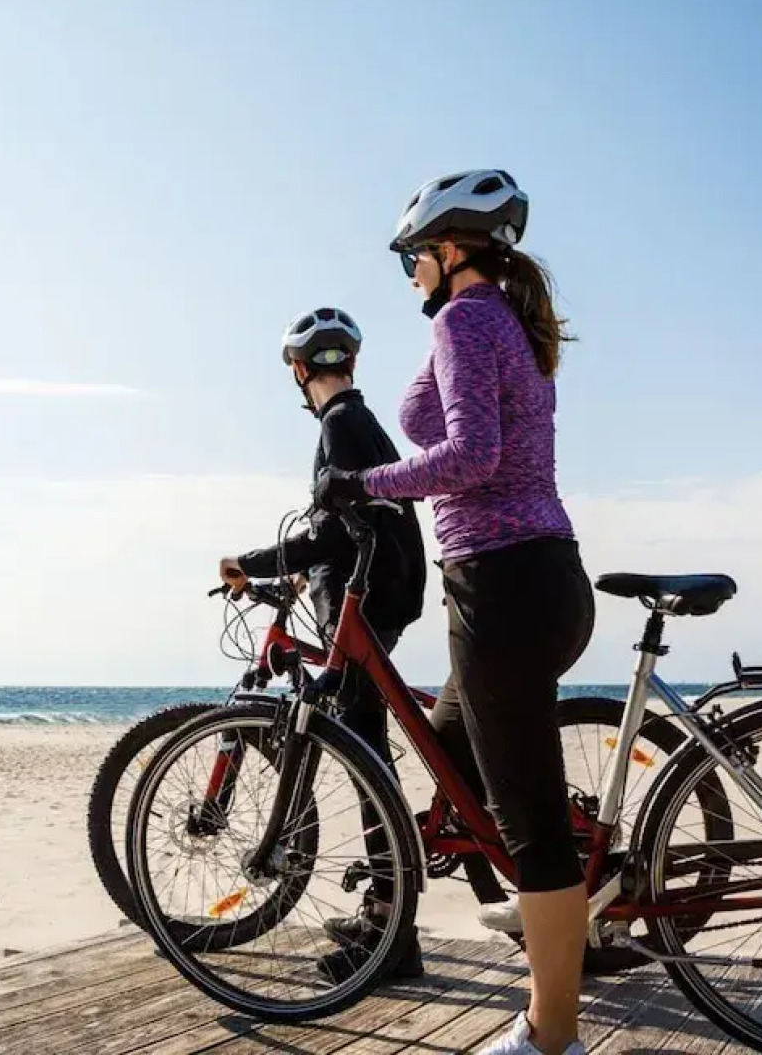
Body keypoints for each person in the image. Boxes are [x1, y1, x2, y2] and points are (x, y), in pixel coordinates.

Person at [316, 169, 595, 1055]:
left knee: (534, 833)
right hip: (529, 578)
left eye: (410, 256)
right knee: (450, 751)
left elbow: (471, 457)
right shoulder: (501, 320)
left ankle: (550, 1035)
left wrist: (364, 483)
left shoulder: (466, 320)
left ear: (445, 250)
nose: (407, 275)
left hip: (505, 585)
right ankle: (570, 897)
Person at [217, 306, 429, 982]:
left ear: (298, 369)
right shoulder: (360, 422)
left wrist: (251, 561)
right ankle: (380, 909)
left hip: (362, 601)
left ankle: (391, 932)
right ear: (352, 363)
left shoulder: (339, 427)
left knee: (365, 755)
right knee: (365, 744)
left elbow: (331, 534)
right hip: (381, 592)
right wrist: (298, 569)